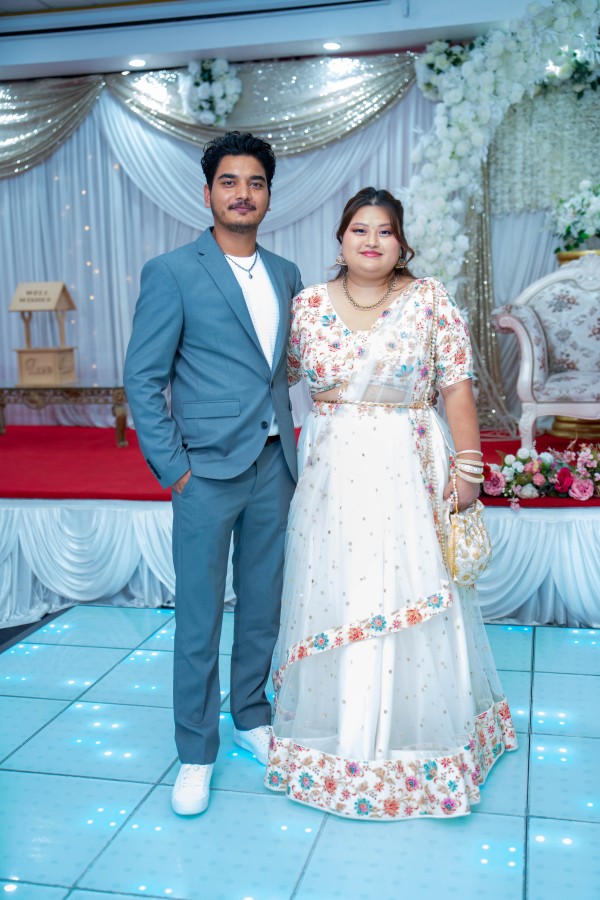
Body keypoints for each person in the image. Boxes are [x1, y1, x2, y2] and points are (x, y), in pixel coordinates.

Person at [265, 187, 517, 820]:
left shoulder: (429, 301)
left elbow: (456, 388)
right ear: (340, 240)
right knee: (339, 590)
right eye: (359, 229)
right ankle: (341, 739)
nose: (371, 241)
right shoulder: (307, 306)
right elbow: (272, 380)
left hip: (409, 468)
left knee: (407, 588)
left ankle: (418, 741)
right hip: (329, 475)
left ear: (402, 243)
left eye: (384, 230)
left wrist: (468, 468)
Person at [124, 131, 302, 816]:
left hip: (273, 466)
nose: (242, 193)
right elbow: (143, 378)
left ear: (268, 195)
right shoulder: (172, 272)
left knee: (263, 608)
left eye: (255, 182)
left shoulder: (286, 273)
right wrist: (175, 470)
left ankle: (251, 717)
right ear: (208, 194)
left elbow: (284, 369)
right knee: (199, 619)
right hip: (204, 473)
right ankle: (196, 752)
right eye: (229, 181)